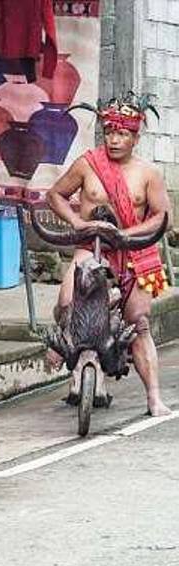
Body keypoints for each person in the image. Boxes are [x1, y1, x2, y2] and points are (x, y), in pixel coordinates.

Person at [45, 93, 171, 417]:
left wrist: (126, 235)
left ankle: (154, 398)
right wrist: (77, 222)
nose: (114, 140)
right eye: (109, 132)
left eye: (122, 134)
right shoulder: (87, 164)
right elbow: (56, 195)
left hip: (133, 254)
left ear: (135, 137)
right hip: (92, 247)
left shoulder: (148, 173)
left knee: (139, 322)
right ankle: (64, 346)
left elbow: (161, 217)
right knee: (65, 303)